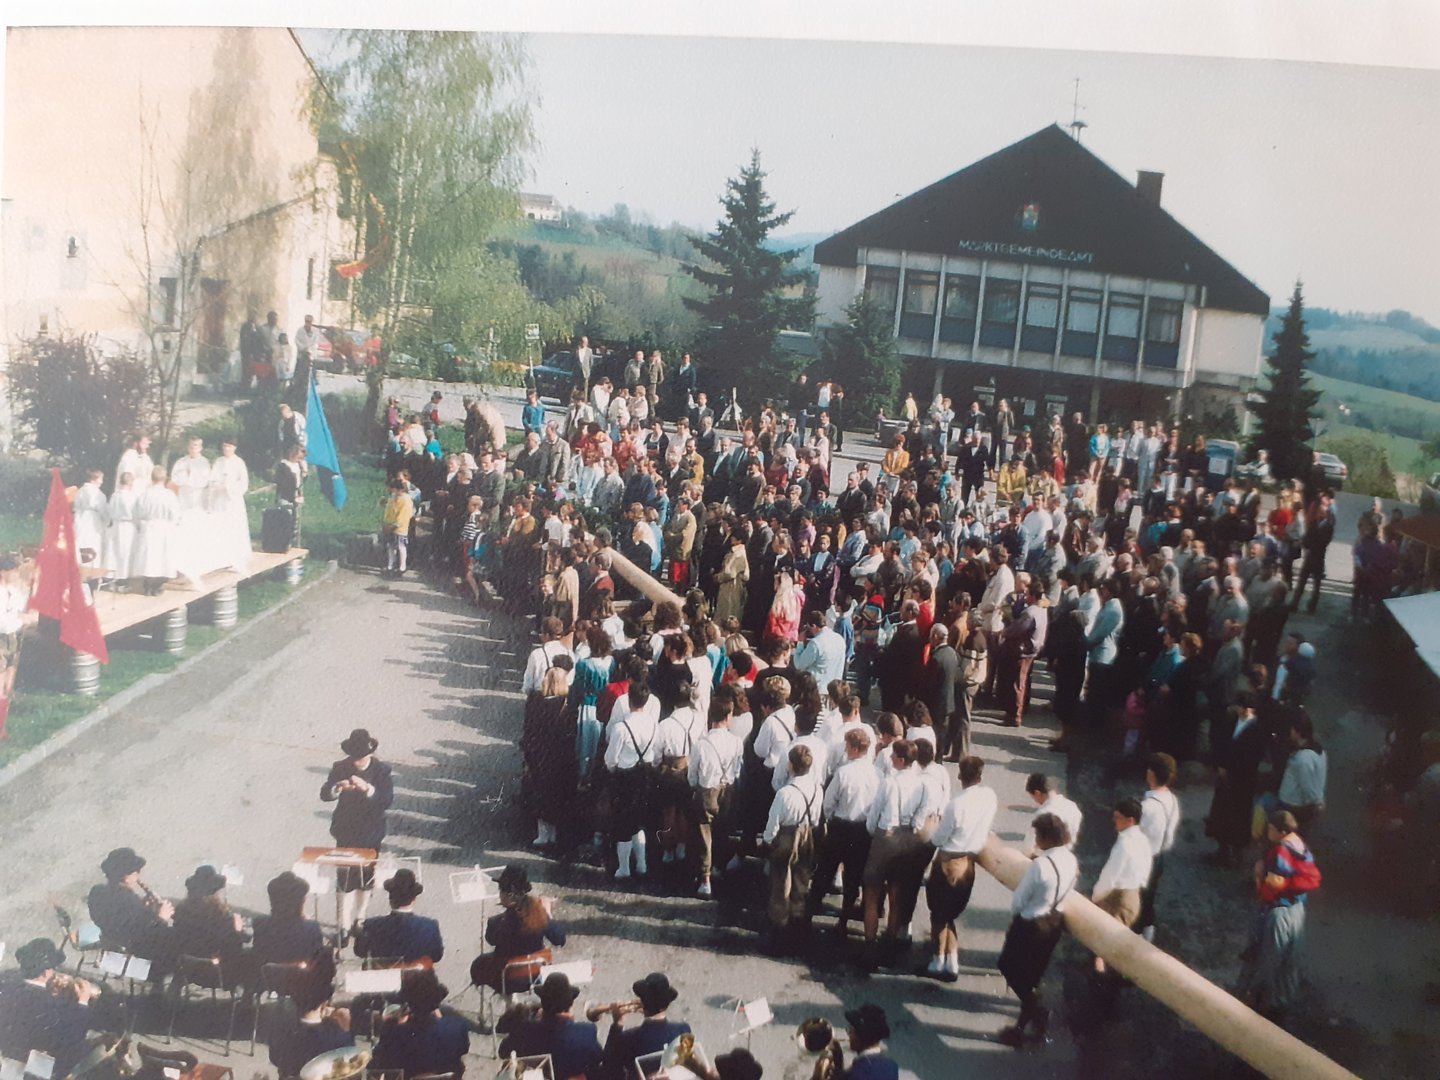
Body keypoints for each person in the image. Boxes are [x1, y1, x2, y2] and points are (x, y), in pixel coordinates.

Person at [996, 813, 1078, 1048]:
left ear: (1046, 838)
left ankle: (1034, 1010)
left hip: (1030, 924)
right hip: (1054, 921)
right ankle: (1027, 1019)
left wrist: (1020, 912)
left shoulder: (1040, 865)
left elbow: (1019, 900)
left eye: (1038, 835)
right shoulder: (1070, 859)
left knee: (1008, 966)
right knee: (1033, 973)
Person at [1238, 810, 1318, 1017]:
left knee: (1267, 956)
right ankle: (1280, 1005)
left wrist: (1259, 880)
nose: (1268, 832)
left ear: (1281, 831)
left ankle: (1258, 1002)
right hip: (1297, 910)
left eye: (1271, 829)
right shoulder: (1300, 846)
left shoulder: (1280, 852)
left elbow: (1270, 889)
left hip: (1278, 912)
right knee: (1289, 963)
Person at [925, 755, 997, 980]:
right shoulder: (989, 797)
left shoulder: (955, 805)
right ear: (980, 776)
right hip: (969, 863)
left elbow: (938, 839)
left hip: (948, 862)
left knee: (939, 915)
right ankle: (952, 962)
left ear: (959, 776)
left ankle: (938, 960)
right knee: (951, 914)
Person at [320, 729, 395, 936]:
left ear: (369, 754)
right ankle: (343, 925)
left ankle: (360, 919)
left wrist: (368, 789)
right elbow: (324, 794)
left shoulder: (382, 771)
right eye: (354, 757)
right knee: (344, 879)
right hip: (346, 831)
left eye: (360, 757)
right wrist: (337, 788)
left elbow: (387, 800)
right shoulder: (340, 767)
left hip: (371, 833)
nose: (357, 761)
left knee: (366, 878)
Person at [808, 725, 878, 939]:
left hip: (840, 828)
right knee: (853, 878)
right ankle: (844, 920)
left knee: (824, 871)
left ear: (855, 748)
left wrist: (831, 819)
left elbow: (829, 802)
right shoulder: (876, 775)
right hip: (862, 831)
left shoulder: (843, 773)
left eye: (847, 746)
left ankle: (808, 913)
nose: (845, 750)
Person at [0, 938, 99, 1076]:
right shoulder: (55, 1004)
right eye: (54, 969)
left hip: (8, 1061)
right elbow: (72, 1039)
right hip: (37, 1070)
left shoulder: (6, 989)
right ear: (45, 972)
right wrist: (82, 1002)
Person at [760, 744, 823, 954]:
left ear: (791, 765)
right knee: (801, 879)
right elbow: (816, 819)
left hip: (786, 836)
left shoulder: (784, 793)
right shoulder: (816, 789)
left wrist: (768, 841)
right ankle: (798, 927)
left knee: (781, 882)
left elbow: (773, 824)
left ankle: (779, 930)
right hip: (807, 834)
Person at [470, 865, 566, 993]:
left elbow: (491, 940)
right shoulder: (538, 915)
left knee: (479, 965)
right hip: (535, 976)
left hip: (509, 980)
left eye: (501, 891)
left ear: (509, 895)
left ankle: (507, 999)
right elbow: (560, 939)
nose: (499, 895)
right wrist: (547, 915)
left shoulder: (496, 922)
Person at [497, 972, 603, 1080]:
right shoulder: (586, 1032)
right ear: (569, 1005)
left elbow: (503, 1052)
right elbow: (598, 1058)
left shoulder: (524, 1030)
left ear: (543, 1004)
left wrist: (535, 1021)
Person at [86, 846, 175, 975]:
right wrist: (161, 917)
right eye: (136, 871)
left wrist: (147, 910)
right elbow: (145, 934)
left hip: (112, 950)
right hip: (136, 958)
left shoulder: (97, 892)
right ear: (126, 876)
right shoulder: (128, 899)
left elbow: (128, 920)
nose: (138, 875)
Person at [267, 951, 355, 1079]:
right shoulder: (337, 1037)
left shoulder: (284, 1033)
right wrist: (346, 1029)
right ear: (325, 1000)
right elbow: (349, 1063)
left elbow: (275, 1058)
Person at [1090, 797, 1153, 974]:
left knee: (1103, 945)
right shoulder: (1143, 840)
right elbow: (1146, 870)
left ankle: (1102, 978)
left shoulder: (1124, 844)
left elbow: (1110, 876)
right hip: (1134, 897)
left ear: (1130, 820)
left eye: (1118, 817)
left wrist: (1095, 897)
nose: (1114, 820)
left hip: (1118, 900)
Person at [370, 970, 470, 1079]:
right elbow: (462, 1050)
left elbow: (381, 1061)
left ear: (408, 1002)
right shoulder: (458, 1028)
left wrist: (390, 1025)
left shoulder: (393, 1034)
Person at [690, 695, 744, 898]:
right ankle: (717, 867)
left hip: (707, 790)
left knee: (704, 833)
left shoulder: (701, 744)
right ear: (728, 716)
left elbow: (692, 776)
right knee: (722, 830)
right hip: (727, 788)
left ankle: (705, 879)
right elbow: (737, 770)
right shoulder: (736, 742)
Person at [600, 973, 693, 1077]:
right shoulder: (683, 1030)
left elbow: (608, 1068)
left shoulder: (628, 1038)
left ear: (643, 1003)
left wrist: (617, 1024)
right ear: (667, 1003)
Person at [171, 864, 247, 986]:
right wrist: (238, 930)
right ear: (215, 891)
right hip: (214, 974)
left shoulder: (181, 910)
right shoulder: (221, 916)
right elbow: (233, 948)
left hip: (186, 969)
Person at [355, 869, 444, 966]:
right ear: (414, 899)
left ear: (390, 900)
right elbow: (437, 956)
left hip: (383, 974)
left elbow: (359, 951)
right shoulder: (430, 926)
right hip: (416, 975)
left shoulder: (371, 925)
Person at [1137, 753, 1180, 942]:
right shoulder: (1172, 800)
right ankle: (1148, 933)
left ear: (1151, 774)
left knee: (1137, 900)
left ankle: (1136, 939)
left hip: (1143, 859)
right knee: (1149, 898)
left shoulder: (1147, 807)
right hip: (1159, 857)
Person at [252, 870, 325, 968]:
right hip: (300, 976)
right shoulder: (312, 928)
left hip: (267, 976)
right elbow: (317, 960)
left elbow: (258, 955)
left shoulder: (260, 924)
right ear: (301, 902)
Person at [131, 465, 180, 595]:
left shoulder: (145, 495)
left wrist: (140, 526)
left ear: (151, 478)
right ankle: (157, 586)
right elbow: (175, 514)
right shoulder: (169, 495)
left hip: (149, 526)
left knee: (149, 556)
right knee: (162, 556)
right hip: (164, 527)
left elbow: (137, 513)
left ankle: (148, 585)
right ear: (165, 479)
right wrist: (173, 525)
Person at [208, 437, 252, 572]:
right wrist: (216, 485)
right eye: (224, 446)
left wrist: (228, 487)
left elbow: (243, 483)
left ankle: (237, 559)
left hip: (233, 501)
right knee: (221, 528)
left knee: (234, 528)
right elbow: (212, 478)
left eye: (229, 446)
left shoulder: (239, 463)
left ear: (234, 448)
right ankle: (221, 558)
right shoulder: (218, 462)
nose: (226, 449)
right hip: (219, 501)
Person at [838, 1004, 898, 1080]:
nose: (849, 1035)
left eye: (851, 1030)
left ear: (860, 1037)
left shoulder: (856, 1073)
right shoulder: (892, 1066)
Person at [1024, 774, 1082, 852]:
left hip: (1046, 855)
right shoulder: (1072, 806)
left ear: (1037, 793)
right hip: (1068, 853)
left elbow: (1029, 846)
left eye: (1033, 797)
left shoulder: (1042, 814)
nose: (1035, 801)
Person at [382, 477, 415, 577]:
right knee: (390, 546)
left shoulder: (406, 500)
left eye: (393, 489)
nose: (391, 491)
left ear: (398, 489)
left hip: (401, 528)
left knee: (401, 546)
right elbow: (388, 510)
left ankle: (402, 567)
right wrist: (386, 522)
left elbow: (405, 515)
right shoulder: (392, 498)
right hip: (390, 525)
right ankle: (390, 565)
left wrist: (396, 524)